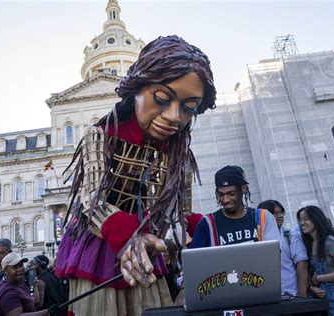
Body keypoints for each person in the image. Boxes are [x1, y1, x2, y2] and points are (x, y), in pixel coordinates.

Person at [55, 35, 217, 315]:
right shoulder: (101, 135)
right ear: (137, 89)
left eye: (188, 108)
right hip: (101, 244)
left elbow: (181, 213)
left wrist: (210, 232)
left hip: (147, 245)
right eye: (162, 99)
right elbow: (92, 200)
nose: (173, 117)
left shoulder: (178, 153)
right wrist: (129, 235)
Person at [191, 165, 280, 248]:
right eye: (221, 194)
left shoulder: (263, 217)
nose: (226, 200)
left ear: (244, 189)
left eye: (231, 194)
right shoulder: (207, 224)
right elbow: (195, 260)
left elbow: (274, 254)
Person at [257, 200, 309, 297]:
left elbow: (302, 263)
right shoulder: (256, 237)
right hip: (264, 293)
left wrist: (302, 294)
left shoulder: (290, 235)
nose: (280, 215)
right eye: (276, 213)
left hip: (290, 292)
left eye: (281, 212)